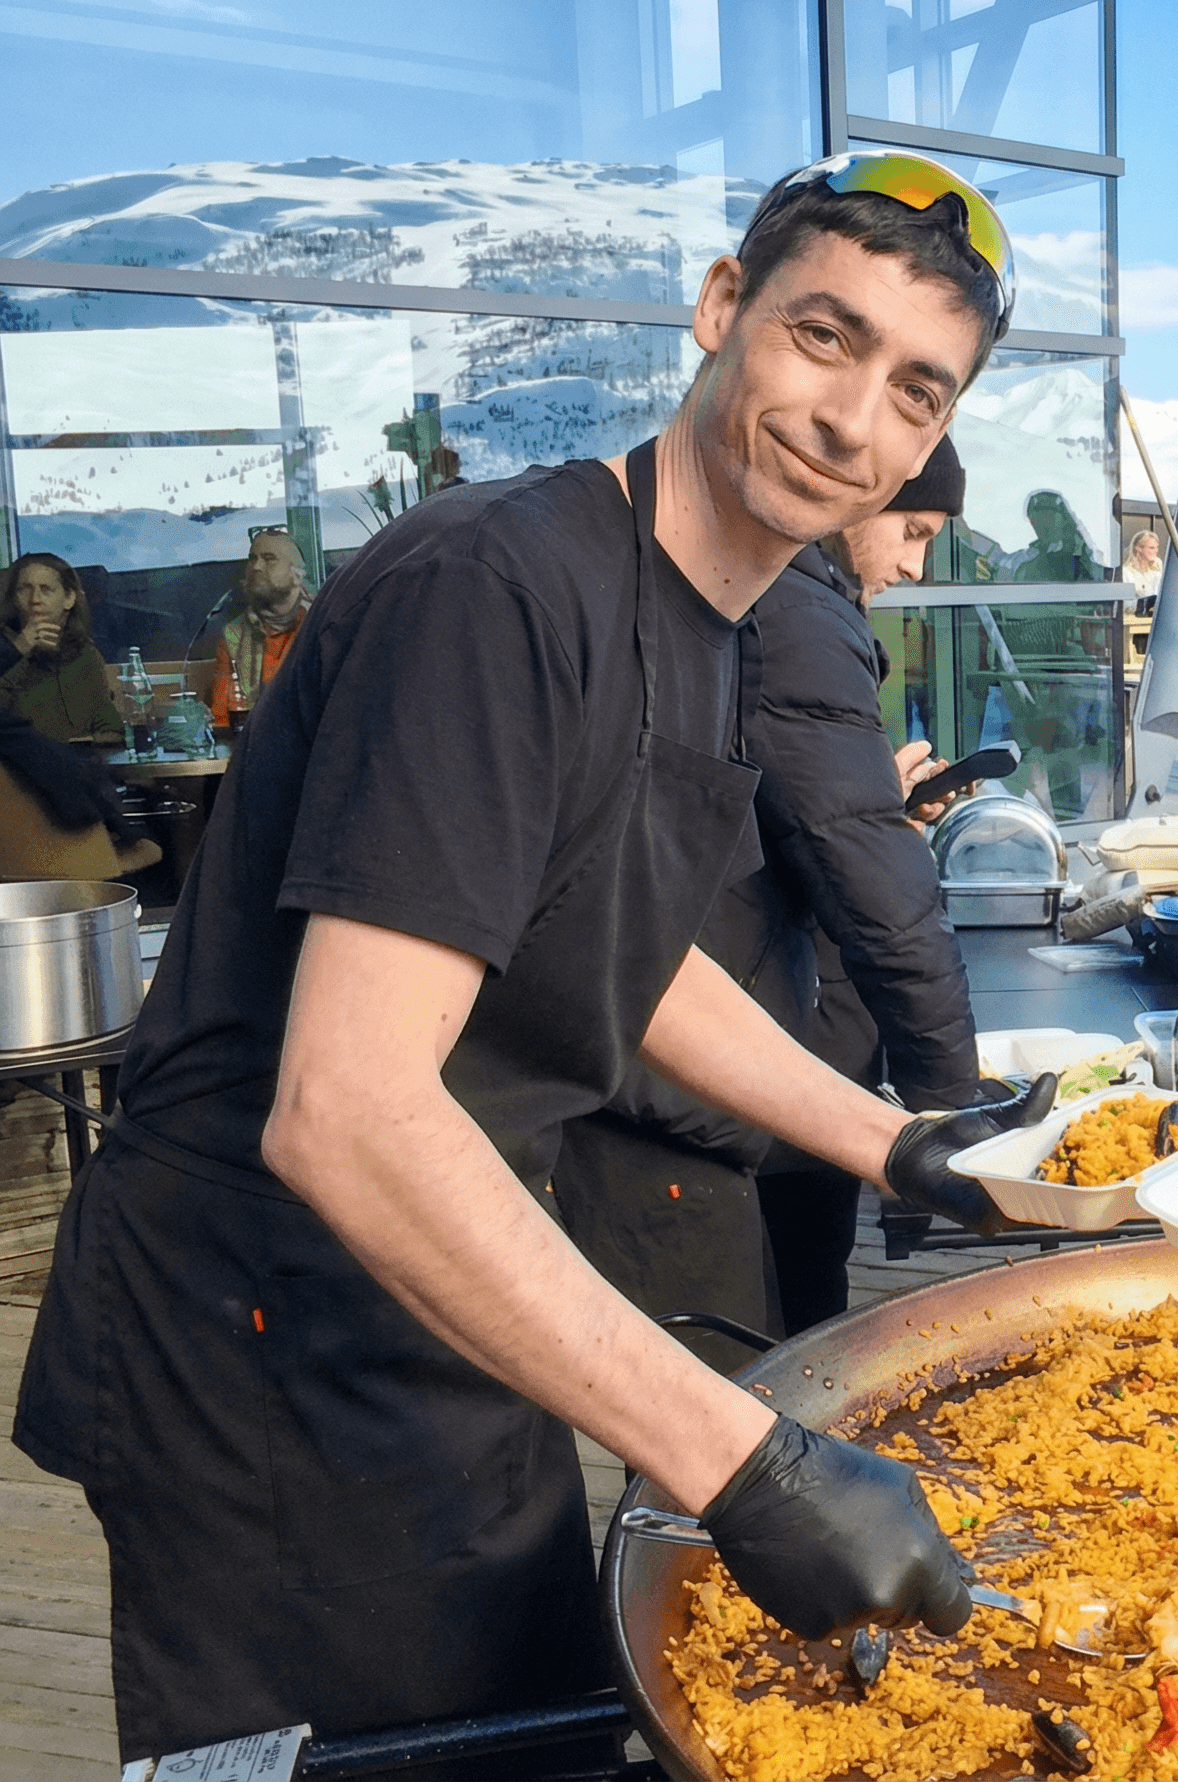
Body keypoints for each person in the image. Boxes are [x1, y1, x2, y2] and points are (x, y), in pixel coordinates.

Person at [14, 150, 1043, 1764]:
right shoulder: (500, 593)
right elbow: (345, 1108)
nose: (857, 423)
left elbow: (613, 952)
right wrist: (749, 1463)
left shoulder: (705, 619)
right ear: (721, 310)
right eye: (823, 339)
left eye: (916, 391)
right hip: (262, 1337)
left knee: (532, 1722)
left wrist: (905, 1147)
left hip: (442, 1286)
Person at [553, 435, 984, 1349]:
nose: (914, 564)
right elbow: (877, 890)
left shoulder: (746, 596)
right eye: (912, 531)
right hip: (715, 1091)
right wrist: (949, 1107)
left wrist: (876, 795)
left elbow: (783, 805)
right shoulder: (796, 613)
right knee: (763, 1375)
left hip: (730, 1050)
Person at [0, 553, 125, 747]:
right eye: (24, 589)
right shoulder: (6, 653)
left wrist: (81, 745)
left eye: (46, 589)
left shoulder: (84, 654)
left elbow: (111, 728)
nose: (35, 599)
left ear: (69, 598)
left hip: (77, 767)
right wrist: (17, 650)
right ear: (14, 599)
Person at [206, 528, 314, 726]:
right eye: (252, 558)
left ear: (296, 573)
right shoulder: (234, 635)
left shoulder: (322, 623)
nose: (256, 567)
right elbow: (221, 719)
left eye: (269, 558)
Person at [1123, 528, 1164, 597]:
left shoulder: (1158, 571)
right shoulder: (1126, 573)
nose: (1156, 551)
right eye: (1151, 548)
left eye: (1157, 547)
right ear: (1139, 548)